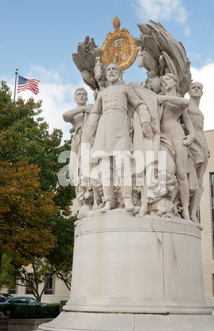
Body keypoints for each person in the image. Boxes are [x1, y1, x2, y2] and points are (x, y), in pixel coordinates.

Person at [85, 63, 153, 212]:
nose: (111, 72)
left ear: (120, 72)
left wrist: (145, 121)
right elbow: (95, 112)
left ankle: (127, 199)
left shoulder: (125, 89)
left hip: (121, 126)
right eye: (108, 69)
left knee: (123, 166)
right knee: (105, 168)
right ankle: (109, 201)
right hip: (104, 128)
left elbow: (140, 105)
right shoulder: (102, 93)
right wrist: (90, 132)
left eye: (114, 69)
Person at [158, 73, 195, 221]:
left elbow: (186, 115)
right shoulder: (159, 98)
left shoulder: (175, 99)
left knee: (181, 172)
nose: (165, 82)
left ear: (175, 82)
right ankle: (165, 201)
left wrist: (192, 134)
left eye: (167, 80)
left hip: (177, 136)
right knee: (164, 170)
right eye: (163, 81)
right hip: (162, 138)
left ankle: (185, 209)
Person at [62, 87, 92, 205]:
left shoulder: (92, 109)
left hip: (89, 140)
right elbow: (65, 116)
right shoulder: (76, 113)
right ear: (75, 97)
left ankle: (90, 192)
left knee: (89, 166)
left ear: (87, 97)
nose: (81, 96)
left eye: (83, 94)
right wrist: (83, 109)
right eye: (78, 94)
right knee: (77, 169)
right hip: (78, 141)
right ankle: (81, 196)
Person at [187, 82, 210, 223]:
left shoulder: (199, 110)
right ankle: (187, 210)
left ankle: (193, 212)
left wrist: (207, 146)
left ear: (202, 92)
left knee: (200, 182)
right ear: (189, 91)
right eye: (193, 87)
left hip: (202, 144)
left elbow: (201, 130)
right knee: (192, 179)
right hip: (193, 144)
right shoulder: (187, 106)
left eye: (199, 88)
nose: (196, 89)